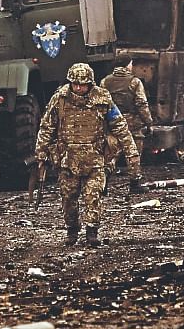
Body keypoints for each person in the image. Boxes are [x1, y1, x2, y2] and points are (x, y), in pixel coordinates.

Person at [35, 63, 143, 247]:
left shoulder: (102, 99)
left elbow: (119, 125)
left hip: (95, 158)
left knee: (93, 196)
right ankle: (72, 230)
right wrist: (41, 152)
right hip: (67, 160)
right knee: (68, 199)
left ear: (90, 84)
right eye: (75, 84)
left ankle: (92, 231)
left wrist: (130, 150)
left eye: (82, 85)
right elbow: (47, 127)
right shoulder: (60, 98)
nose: (78, 88)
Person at [100, 55, 153, 163]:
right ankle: (134, 174)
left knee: (111, 149)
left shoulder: (105, 81)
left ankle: (108, 169)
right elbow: (141, 104)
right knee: (134, 153)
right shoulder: (135, 82)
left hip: (112, 120)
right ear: (128, 65)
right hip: (132, 122)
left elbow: (101, 103)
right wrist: (148, 123)